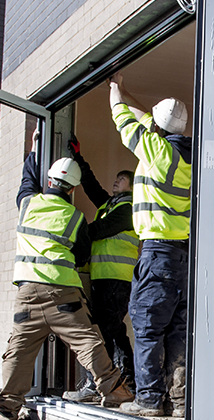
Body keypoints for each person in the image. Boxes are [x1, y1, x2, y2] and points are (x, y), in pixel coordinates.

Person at [0, 132, 133, 420]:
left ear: (49, 182)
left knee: (19, 348)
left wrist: (35, 148)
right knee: (88, 341)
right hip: (63, 294)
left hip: (28, 294)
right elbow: (82, 254)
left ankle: (8, 408)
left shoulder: (28, 205)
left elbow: (27, 180)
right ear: (72, 190)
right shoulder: (75, 218)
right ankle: (115, 390)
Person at [108, 72, 192, 417]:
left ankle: (148, 399)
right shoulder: (191, 155)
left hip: (157, 254)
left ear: (156, 128)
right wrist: (128, 91)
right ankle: (180, 400)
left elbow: (122, 118)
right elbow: (148, 119)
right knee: (176, 328)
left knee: (146, 325)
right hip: (184, 255)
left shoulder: (155, 150)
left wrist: (114, 90)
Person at [61, 135, 138, 402]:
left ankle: (93, 387)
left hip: (117, 282)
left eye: (122, 178)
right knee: (115, 334)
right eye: (117, 177)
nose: (116, 180)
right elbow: (91, 186)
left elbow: (99, 230)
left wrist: (71, 237)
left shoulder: (128, 208)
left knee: (100, 334)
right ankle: (129, 382)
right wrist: (78, 159)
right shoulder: (110, 205)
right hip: (105, 280)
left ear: (132, 185)